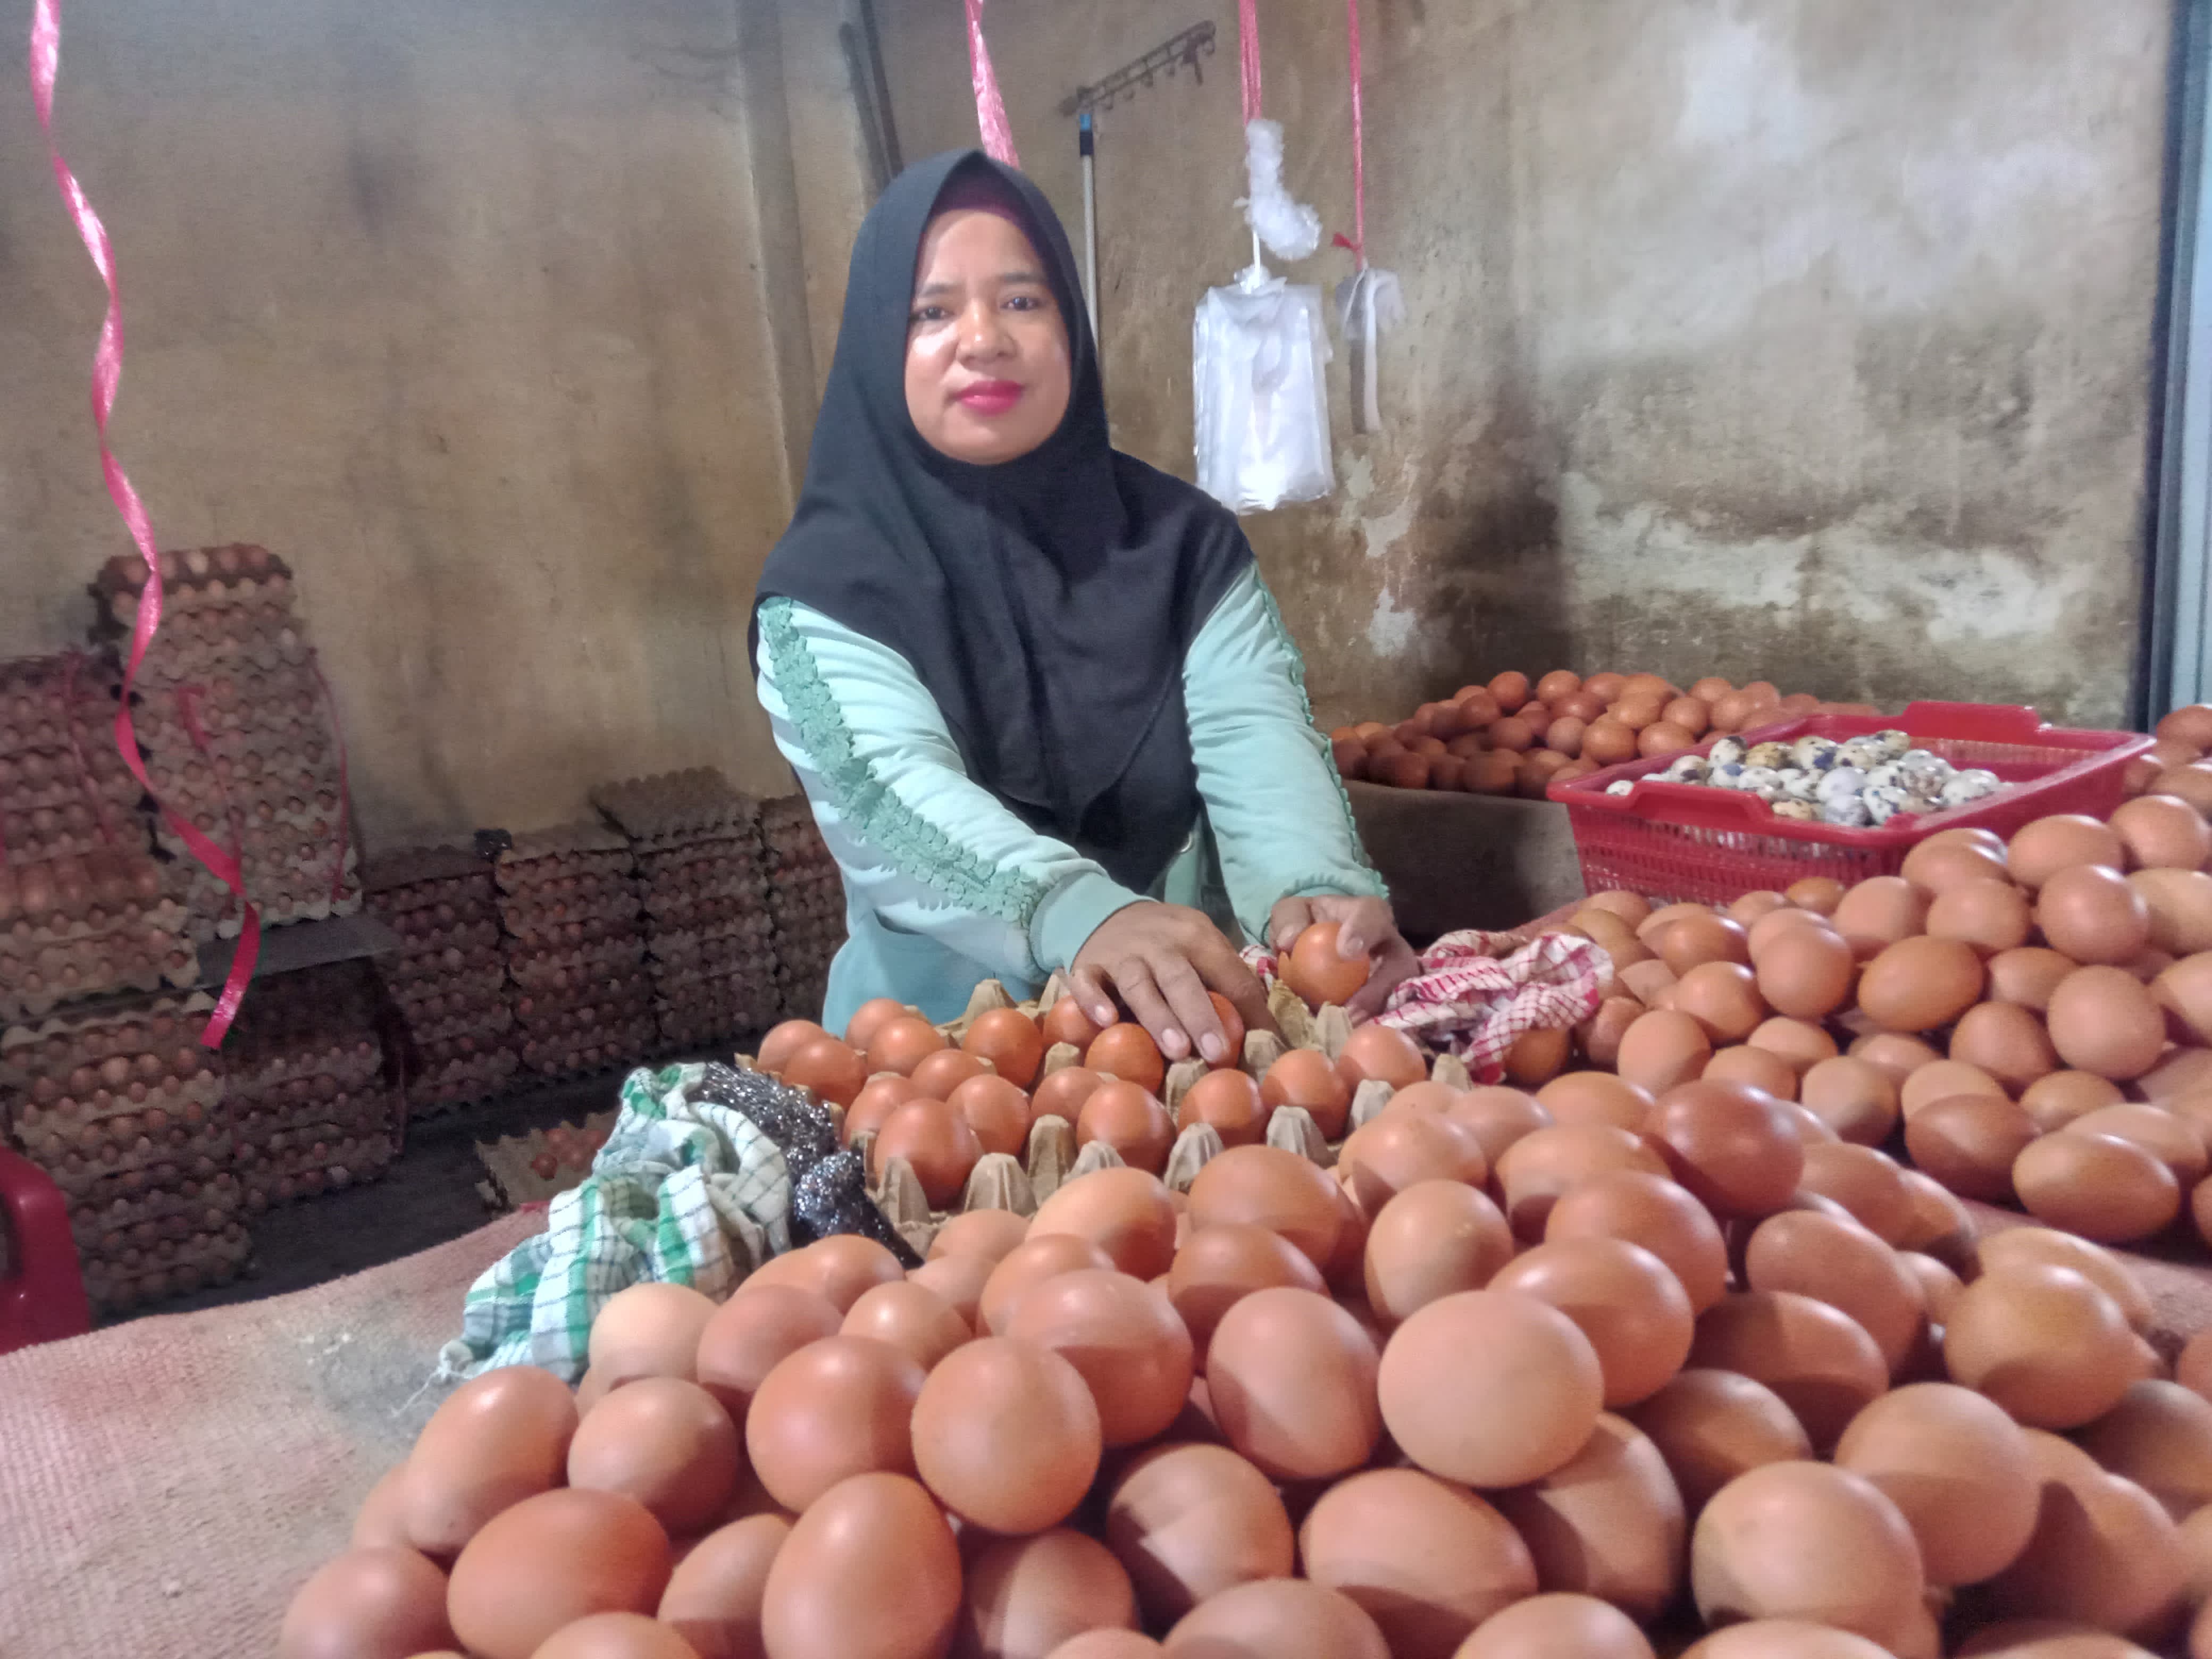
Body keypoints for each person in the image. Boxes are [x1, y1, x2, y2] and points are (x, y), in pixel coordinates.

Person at [750, 150, 1416, 1067]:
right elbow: (889, 797)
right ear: (878, 346)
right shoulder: (826, 590)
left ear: (1072, 327)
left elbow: (1257, 740)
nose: (982, 338)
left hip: (1189, 1039)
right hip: (937, 1060)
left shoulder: (1183, 546)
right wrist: (1076, 911)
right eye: (932, 311)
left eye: (1023, 301)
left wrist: (1314, 899)